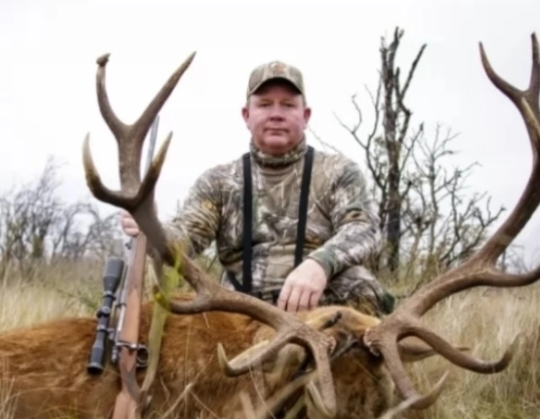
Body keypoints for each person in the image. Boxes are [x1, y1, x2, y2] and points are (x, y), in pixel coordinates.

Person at [121, 60, 394, 316]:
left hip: (319, 307)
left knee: (362, 287)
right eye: (264, 105)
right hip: (242, 314)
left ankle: (360, 353)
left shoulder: (338, 172)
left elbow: (364, 228)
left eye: (288, 105)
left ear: (305, 115)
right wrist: (150, 227)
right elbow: (184, 242)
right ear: (247, 115)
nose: (276, 115)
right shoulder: (219, 181)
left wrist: (320, 264)